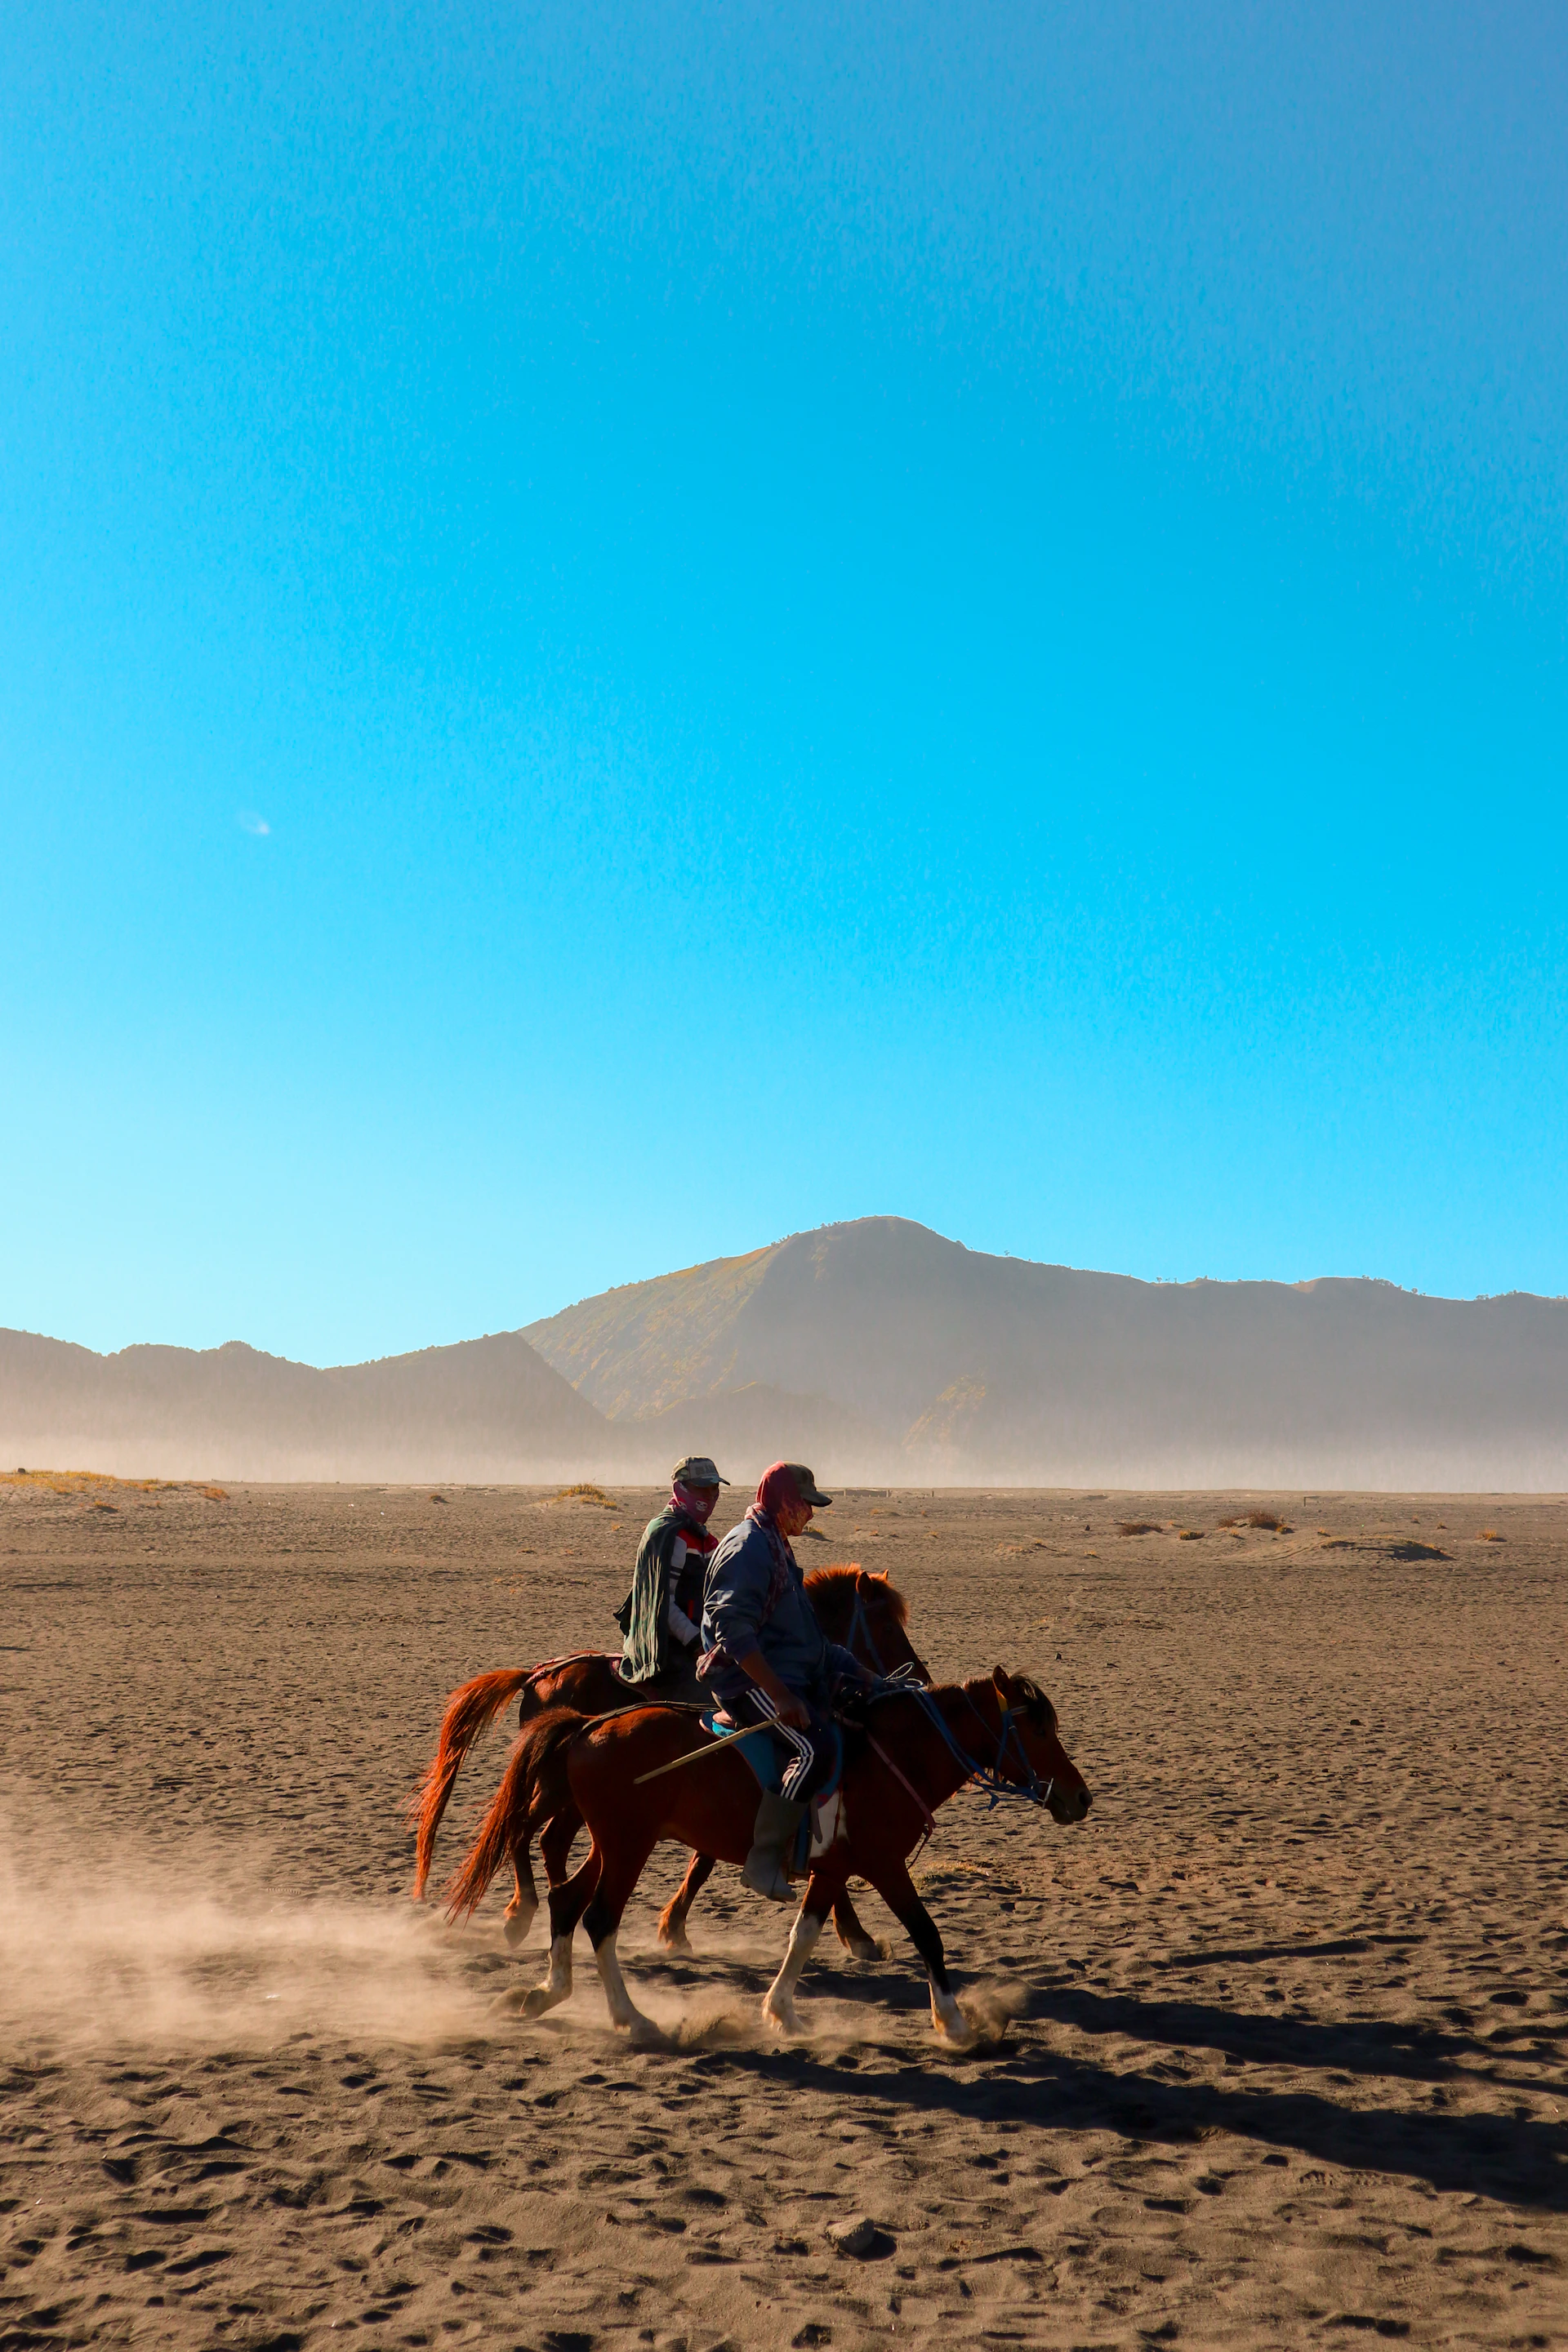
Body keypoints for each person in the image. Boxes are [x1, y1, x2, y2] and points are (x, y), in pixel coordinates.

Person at [699, 1460, 866, 1900]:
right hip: (745, 1679)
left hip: (784, 1672)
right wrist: (780, 1695)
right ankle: (764, 1860)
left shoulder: (776, 1546)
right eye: (806, 1505)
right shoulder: (749, 1549)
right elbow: (733, 1632)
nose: (811, 1515)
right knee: (814, 1747)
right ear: (784, 1502)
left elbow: (804, 1636)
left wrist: (863, 1673)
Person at [613, 1456, 728, 1702]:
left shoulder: (705, 1538)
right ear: (680, 1488)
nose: (709, 1495)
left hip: (701, 1641)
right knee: (706, 1702)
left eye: (713, 1488)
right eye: (701, 1488)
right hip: (666, 1648)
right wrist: (696, 1642)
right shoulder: (668, 1534)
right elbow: (662, 1603)